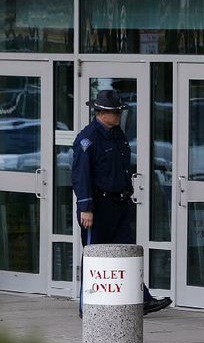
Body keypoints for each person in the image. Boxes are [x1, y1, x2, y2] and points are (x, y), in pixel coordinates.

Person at [72, 89, 172, 316]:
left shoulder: (117, 134)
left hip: (119, 204)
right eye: (114, 112)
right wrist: (86, 207)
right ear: (101, 113)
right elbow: (81, 176)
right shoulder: (88, 139)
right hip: (99, 206)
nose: (118, 115)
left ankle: (141, 299)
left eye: (118, 111)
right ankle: (86, 305)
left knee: (127, 254)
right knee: (94, 255)